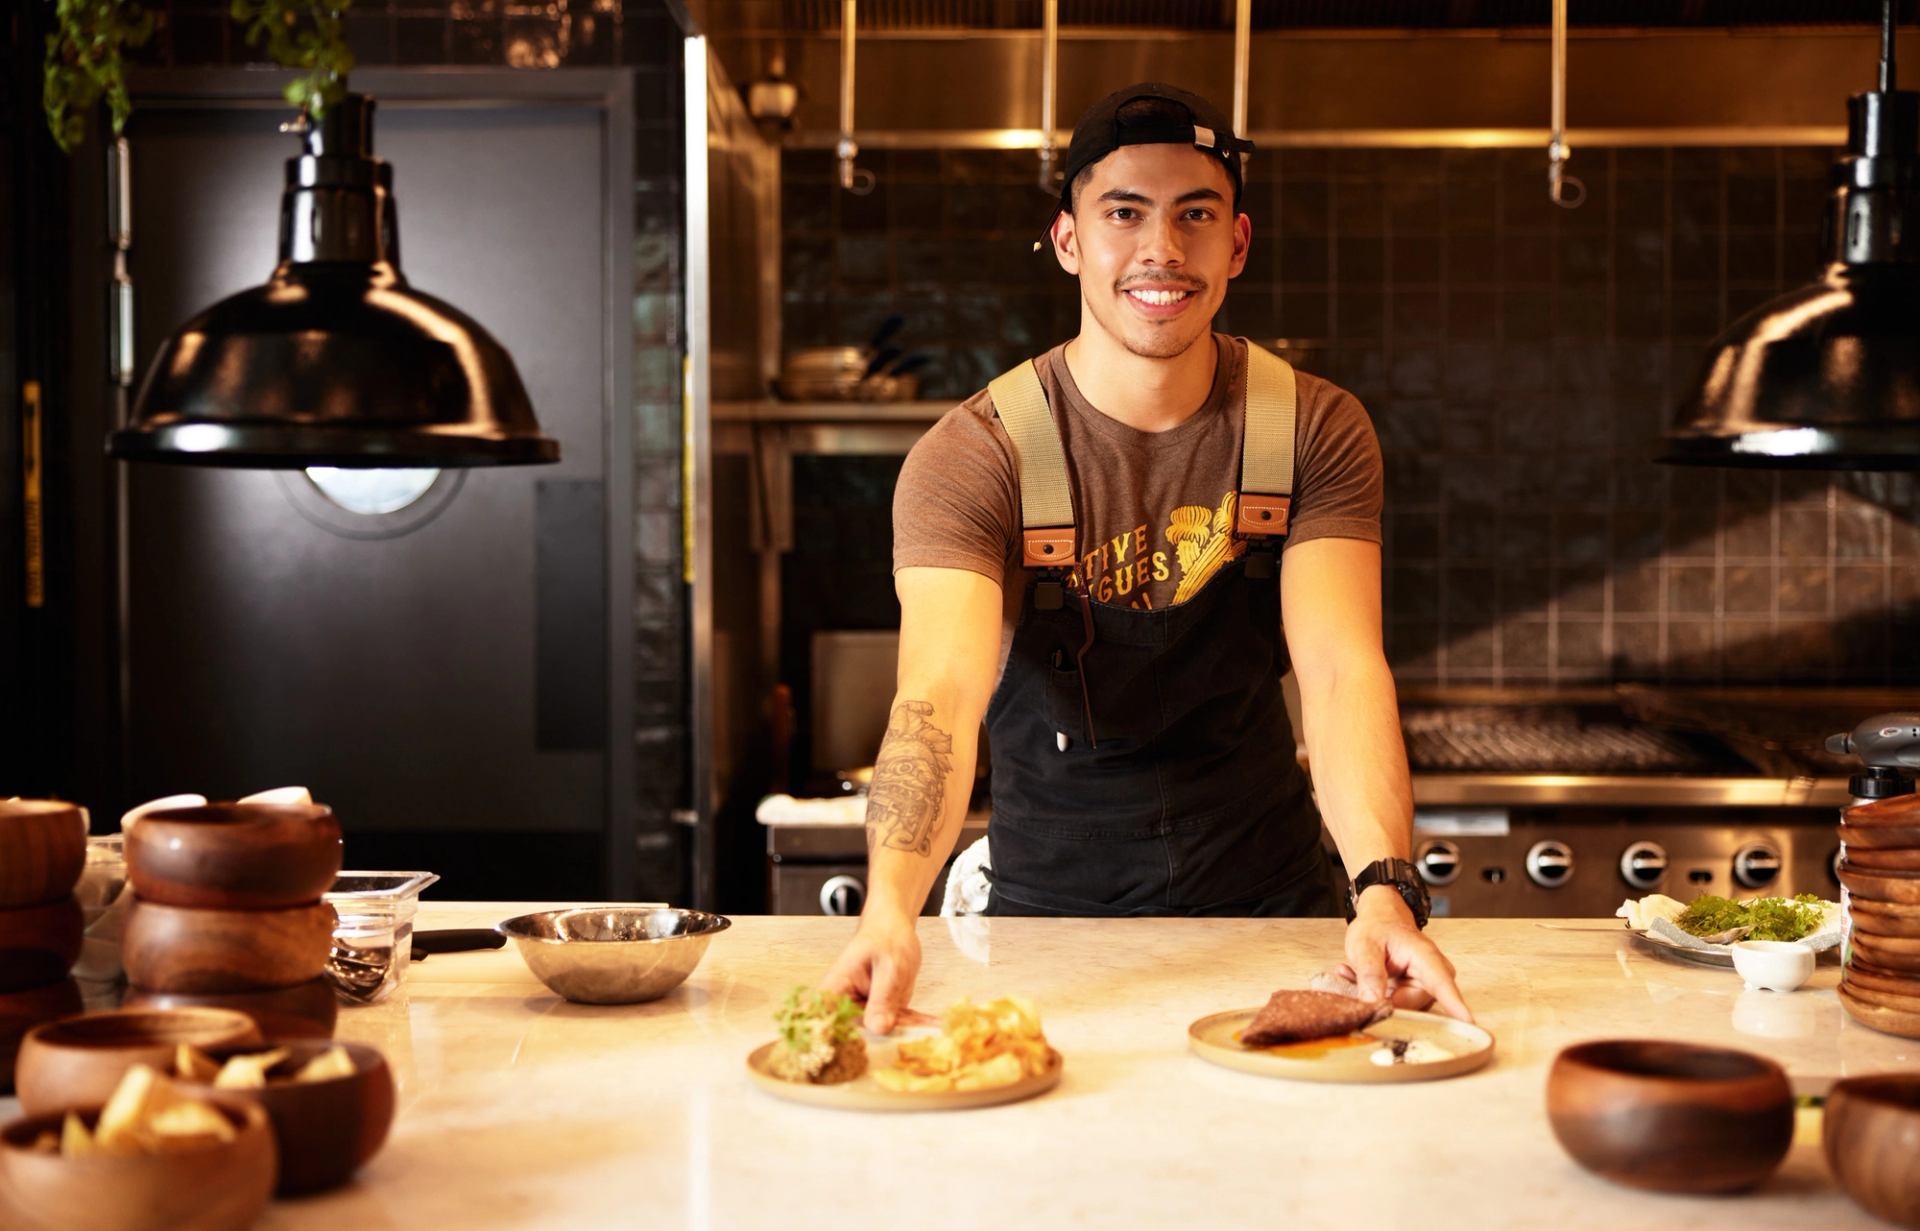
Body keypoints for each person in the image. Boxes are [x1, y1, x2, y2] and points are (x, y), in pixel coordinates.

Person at [822, 83, 1470, 1031]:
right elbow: (939, 695)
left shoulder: (1314, 428)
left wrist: (1383, 889)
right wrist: (890, 909)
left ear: (1238, 243)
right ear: (1069, 240)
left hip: (1272, 914)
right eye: (1123, 213)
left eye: (1194, 215)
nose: (1161, 251)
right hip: (1048, 928)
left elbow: (1339, 674)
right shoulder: (978, 451)